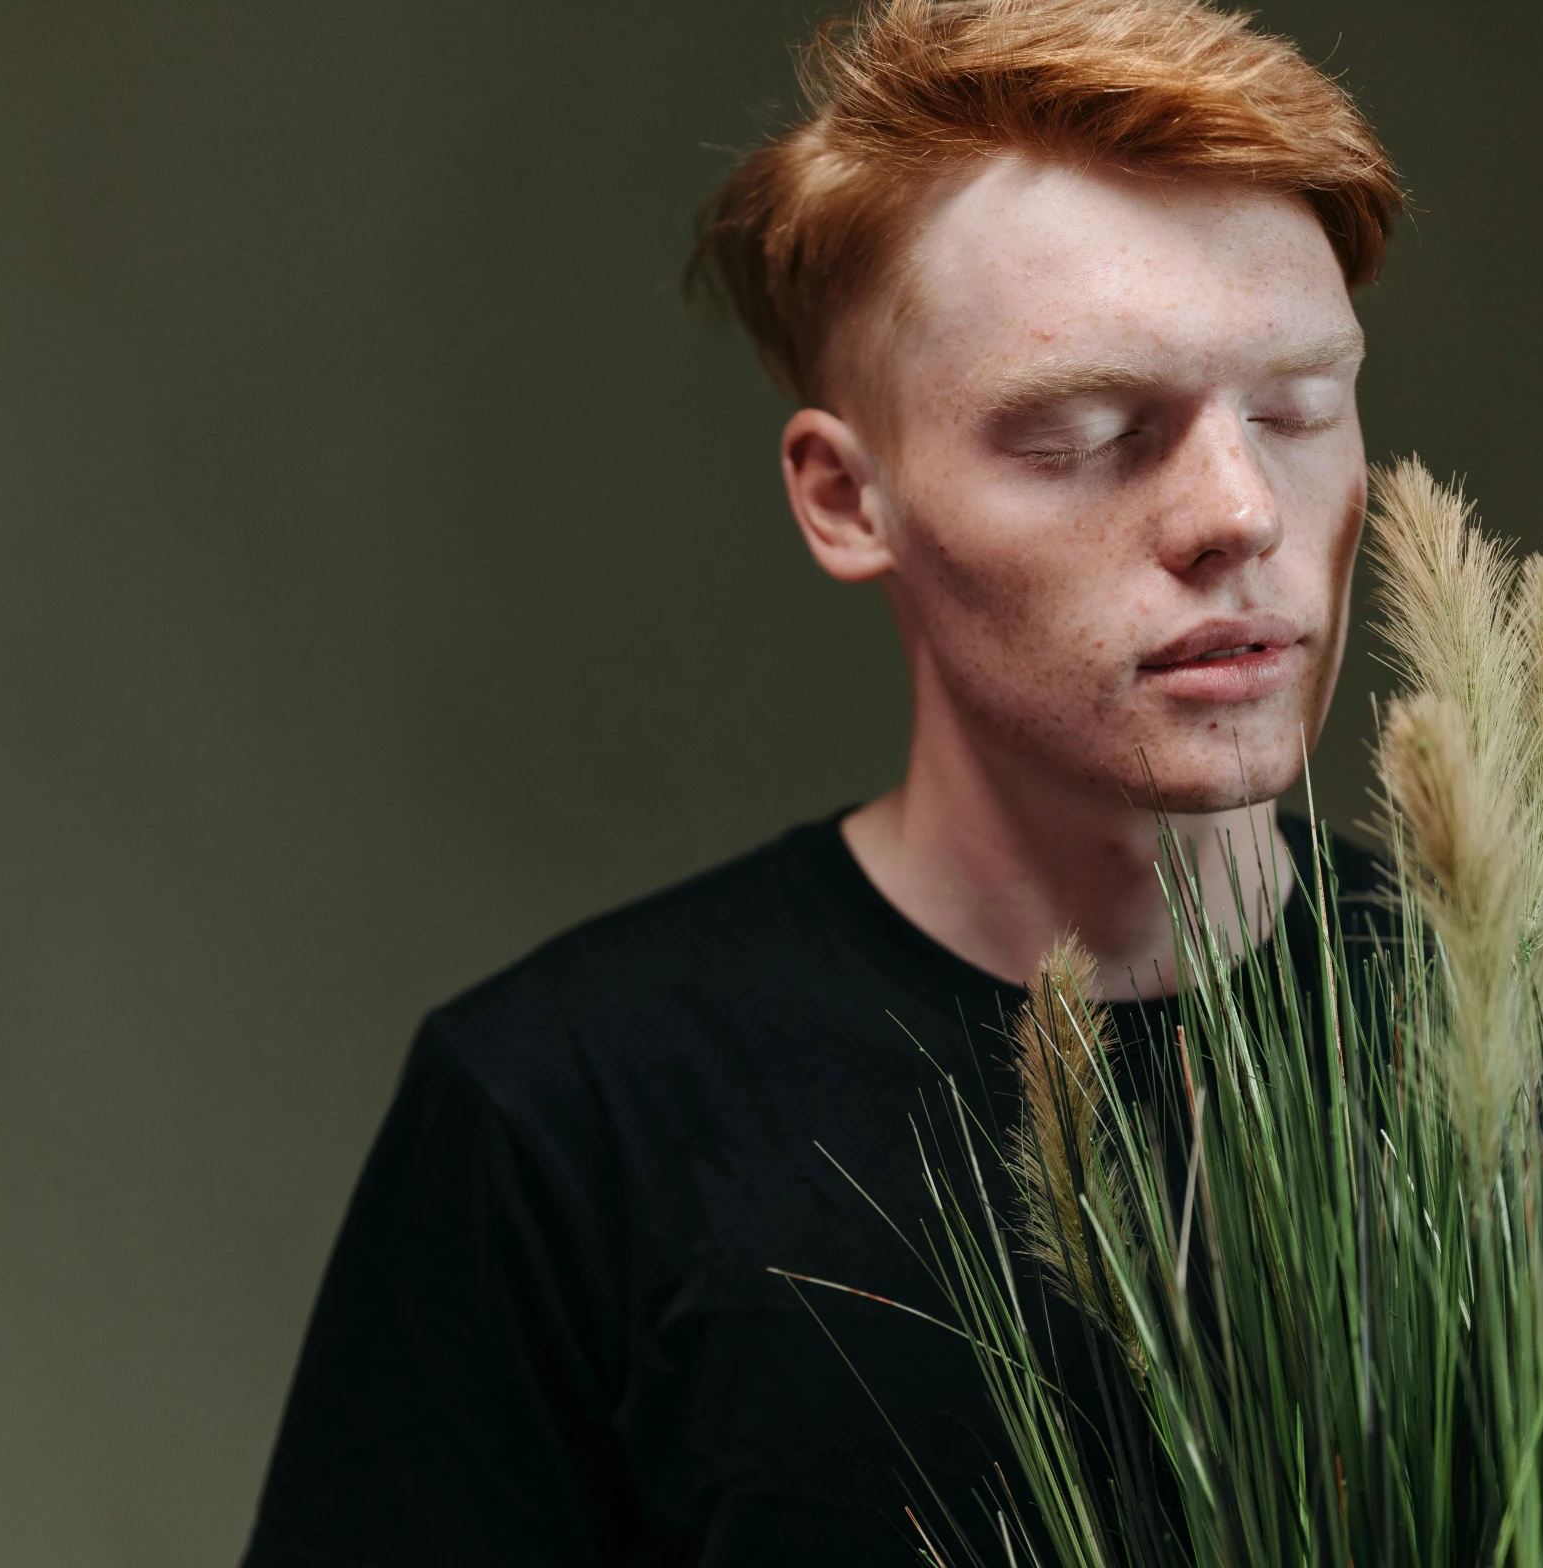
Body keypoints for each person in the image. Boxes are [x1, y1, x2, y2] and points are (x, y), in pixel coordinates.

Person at [245, 0, 1403, 1561]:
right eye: (1089, 432)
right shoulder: (569, 1121)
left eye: (1300, 410)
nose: (1239, 511)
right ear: (847, 499)